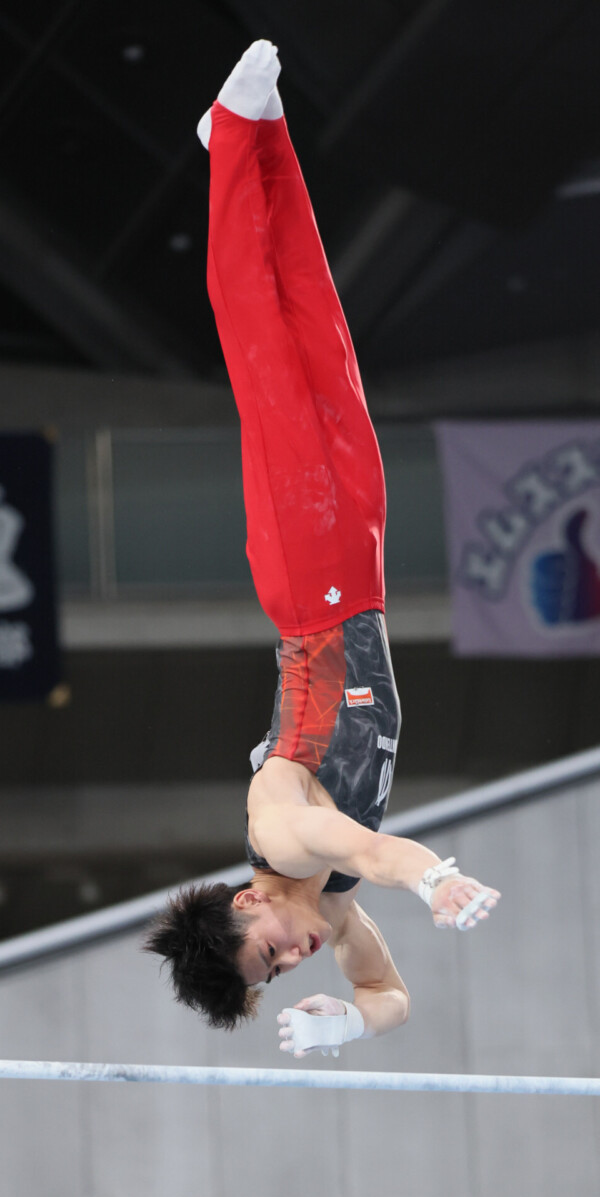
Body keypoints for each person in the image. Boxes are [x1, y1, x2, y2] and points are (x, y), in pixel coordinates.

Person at [144, 41, 500, 1058]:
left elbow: (371, 847)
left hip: (311, 589)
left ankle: (230, 153)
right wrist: (353, 1018)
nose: (291, 960)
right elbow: (388, 987)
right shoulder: (330, 910)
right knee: (322, 337)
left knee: (261, 348)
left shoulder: (281, 827)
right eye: (282, 977)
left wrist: (434, 878)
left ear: (245, 903)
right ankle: (253, 146)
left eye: (263, 957)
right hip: (362, 579)